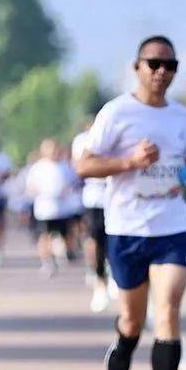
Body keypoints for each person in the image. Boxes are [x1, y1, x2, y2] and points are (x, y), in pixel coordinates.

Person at [74, 35, 186, 370]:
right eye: (153, 63)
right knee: (133, 318)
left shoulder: (182, 117)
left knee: (168, 311)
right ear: (136, 66)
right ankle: (124, 340)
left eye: (169, 65)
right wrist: (129, 161)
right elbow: (83, 166)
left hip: (172, 225)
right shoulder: (116, 113)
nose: (161, 72)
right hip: (126, 228)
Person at [72, 121, 117, 312]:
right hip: (94, 197)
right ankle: (100, 282)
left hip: (117, 197)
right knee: (95, 240)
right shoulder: (82, 141)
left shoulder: (117, 139)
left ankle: (115, 274)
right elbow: (79, 167)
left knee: (115, 239)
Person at [26, 138, 79, 277]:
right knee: (44, 236)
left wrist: (65, 191)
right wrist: (42, 192)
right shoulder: (38, 167)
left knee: (66, 234)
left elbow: (74, 182)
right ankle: (47, 261)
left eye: (55, 149)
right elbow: (30, 186)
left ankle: (66, 254)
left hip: (62, 209)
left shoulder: (65, 166)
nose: (53, 152)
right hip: (45, 210)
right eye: (50, 149)